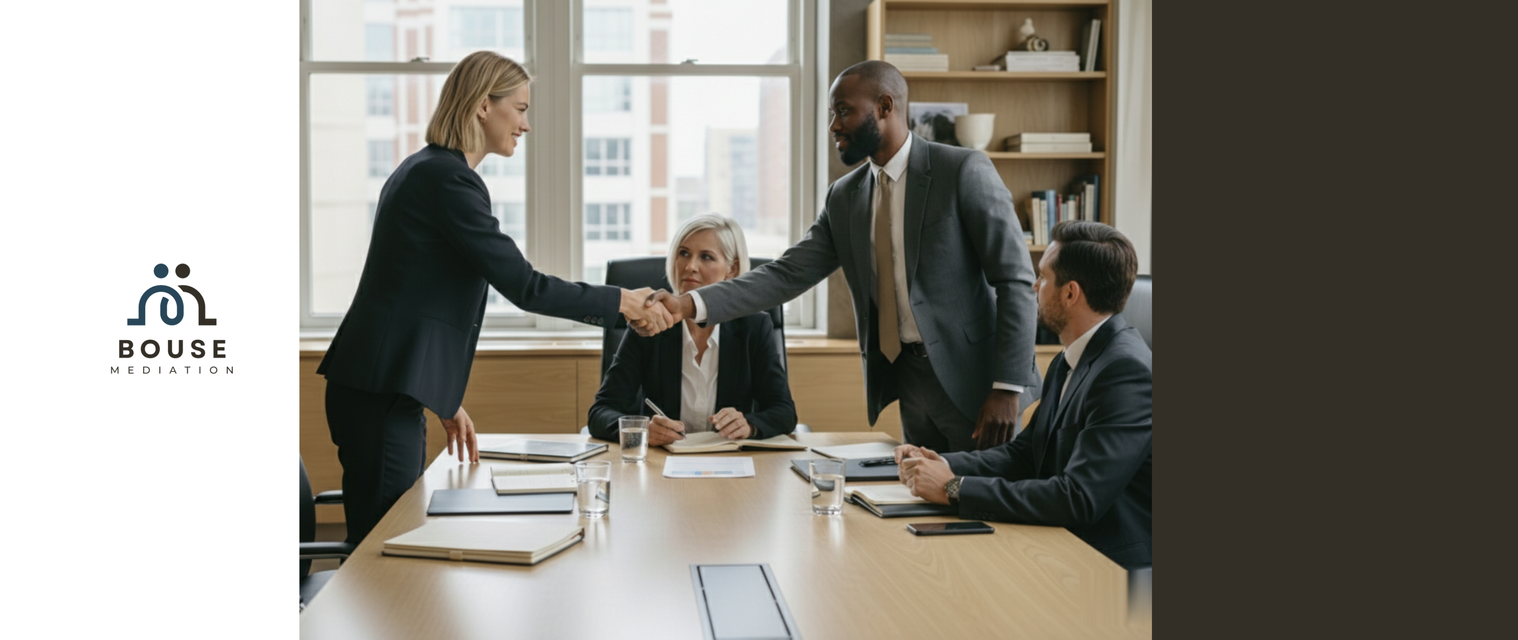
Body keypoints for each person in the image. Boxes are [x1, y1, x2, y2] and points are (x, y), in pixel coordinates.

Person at [317, 51, 672, 544]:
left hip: (386, 388)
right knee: (382, 548)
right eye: (521, 109)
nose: (526, 124)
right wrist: (621, 303)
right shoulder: (447, 179)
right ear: (484, 105)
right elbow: (524, 285)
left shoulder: (428, 171)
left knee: (390, 537)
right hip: (380, 393)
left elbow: (415, 291)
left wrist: (438, 395)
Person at [642, 60, 1038, 452]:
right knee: (926, 503)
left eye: (844, 111)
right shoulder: (844, 197)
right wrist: (687, 303)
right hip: (909, 380)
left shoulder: (962, 170)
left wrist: (1007, 386)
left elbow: (1016, 280)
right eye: (832, 114)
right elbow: (784, 275)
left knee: (983, 505)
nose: (833, 125)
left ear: (885, 107)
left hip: (977, 381)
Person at [896, 220, 1151, 569]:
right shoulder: (1070, 358)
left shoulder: (1126, 373)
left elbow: (1077, 497)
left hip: (1105, 567)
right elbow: (1027, 454)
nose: (1034, 287)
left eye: (1043, 277)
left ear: (1070, 293)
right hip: (1059, 544)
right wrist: (941, 463)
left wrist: (955, 488)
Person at [586, 215, 797, 446]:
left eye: (706, 257)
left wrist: (749, 424)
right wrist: (642, 430)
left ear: (731, 269)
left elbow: (784, 412)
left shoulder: (753, 327)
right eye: (684, 253)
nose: (690, 266)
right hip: (662, 466)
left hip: (730, 463)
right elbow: (601, 413)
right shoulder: (650, 323)